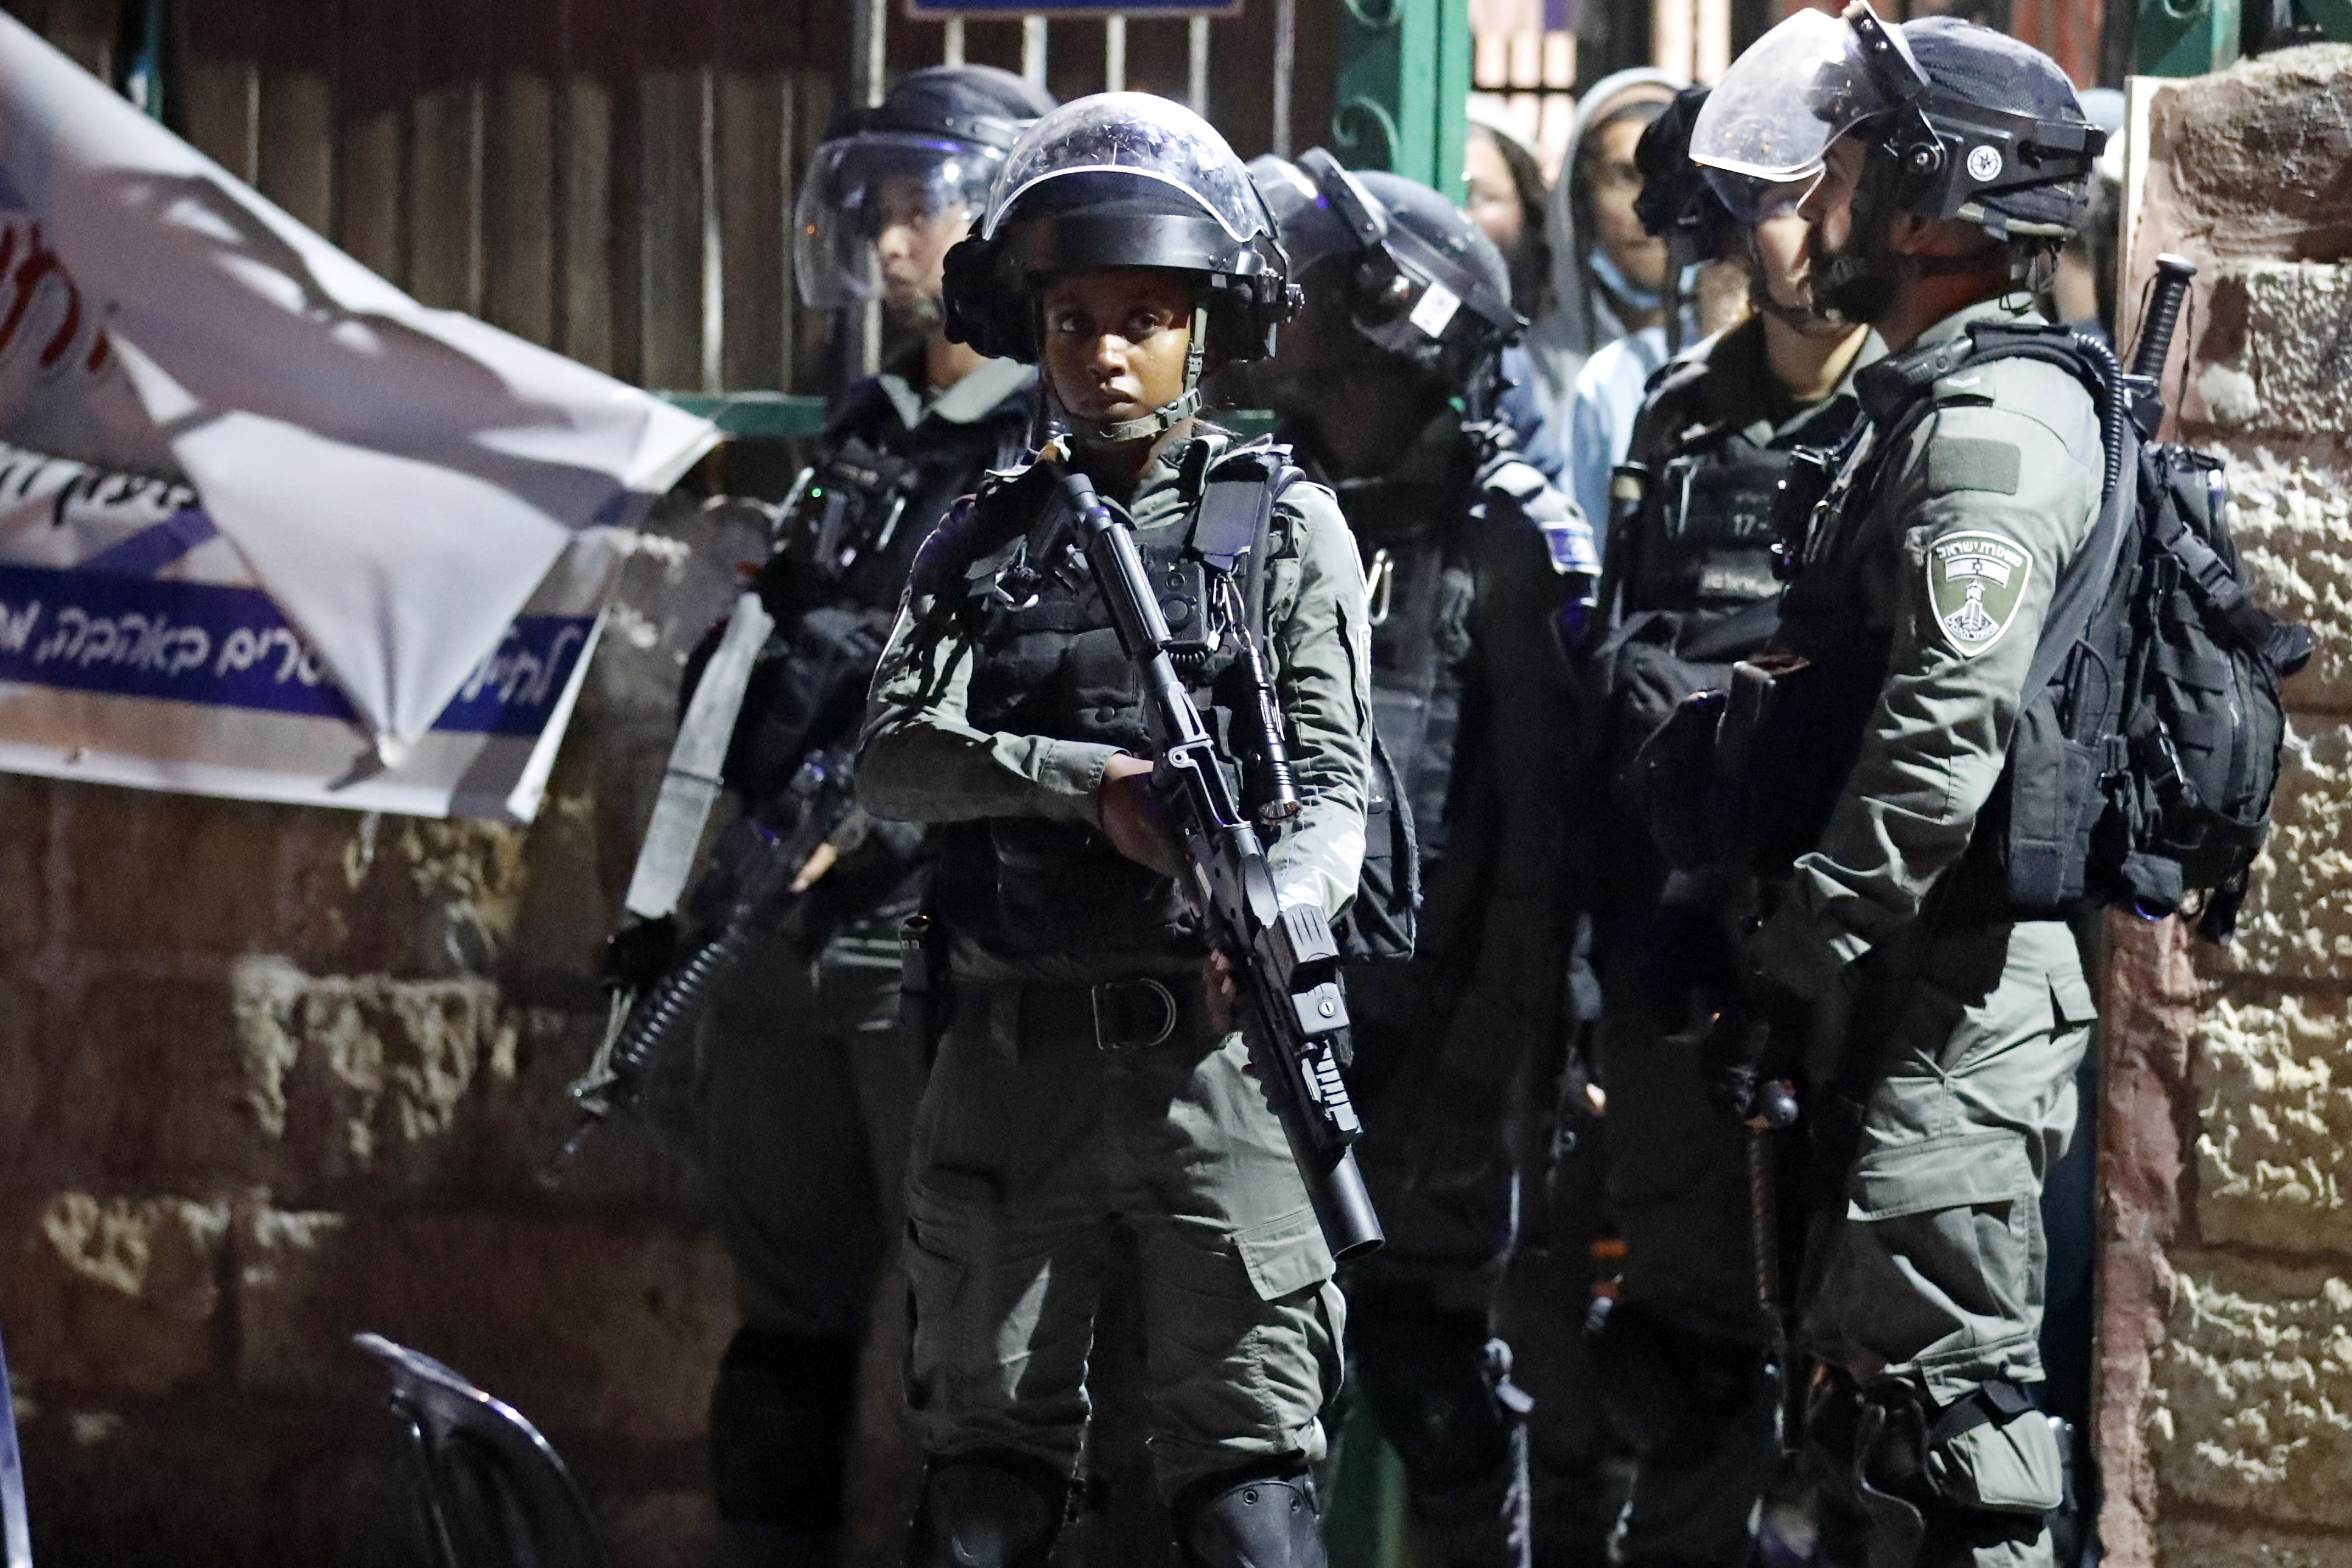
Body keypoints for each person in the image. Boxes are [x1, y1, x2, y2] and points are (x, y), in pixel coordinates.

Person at [856, 92, 1373, 1568]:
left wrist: (1268, 909)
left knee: (1252, 1502)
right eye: (1074, 319)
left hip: (1217, 1062)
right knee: (984, 1503)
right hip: (1012, 1061)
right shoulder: (982, 534)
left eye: (1143, 318)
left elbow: (1335, 793)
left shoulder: (1283, 525)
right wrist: (1084, 784)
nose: (1104, 354)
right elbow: (890, 759)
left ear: (1202, 328)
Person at [1682, 11, 2109, 1567]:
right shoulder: (1937, 402)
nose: (1828, 205)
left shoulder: (1990, 431)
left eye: (1854, 172)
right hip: (1904, 982)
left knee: (1951, 1432)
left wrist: (1802, 944)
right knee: (1867, 1422)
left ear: (1936, 203)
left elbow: (1941, 739)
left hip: (1949, 990)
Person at [665, 63, 1054, 1568]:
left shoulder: (1046, 446)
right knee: (783, 1336)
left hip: (934, 935)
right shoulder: (871, 428)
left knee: (973, 1340)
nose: (893, 242)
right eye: (877, 210)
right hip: (787, 926)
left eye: (921, 207)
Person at [1228, 150, 1602, 1568]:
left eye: (1327, 306)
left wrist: (1484, 1073)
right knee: (1242, 1397)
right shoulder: (1256, 507)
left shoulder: (1512, 537)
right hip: (1262, 1016)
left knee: (1433, 1385)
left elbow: (1544, 847)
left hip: (1435, 1033)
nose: (1298, 331)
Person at [1575, 86, 1878, 1568]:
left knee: (1882, 1395)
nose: (1802, 232)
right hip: (1687, 955)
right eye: (1772, 199)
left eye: (1828, 194)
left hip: (1859, 961)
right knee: (1687, 1366)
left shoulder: (1929, 409)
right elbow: (1624, 670)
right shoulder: (1680, 412)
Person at [1518, 71, 1683, 453]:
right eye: (1624, 177)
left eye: (1669, 176)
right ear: (1580, 197)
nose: (1646, 206)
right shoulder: (1527, 363)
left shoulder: (1741, 357)